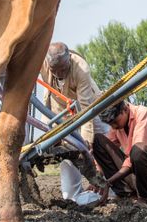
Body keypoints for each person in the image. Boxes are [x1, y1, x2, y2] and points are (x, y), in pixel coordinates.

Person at [37, 42, 110, 205]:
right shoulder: (42, 62)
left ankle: (112, 189)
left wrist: (86, 144)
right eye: (55, 71)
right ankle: (72, 195)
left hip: (88, 106)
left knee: (104, 139)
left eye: (63, 69)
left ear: (69, 59)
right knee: (67, 150)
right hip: (59, 110)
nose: (60, 74)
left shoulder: (81, 68)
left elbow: (86, 112)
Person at [93, 99, 147, 205]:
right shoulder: (117, 125)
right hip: (134, 172)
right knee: (98, 140)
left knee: (138, 150)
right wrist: (98, 178)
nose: (114, 127)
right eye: (110, 124)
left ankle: (146, 198)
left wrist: (109, 182)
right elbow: (107, 148)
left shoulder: (143, 113)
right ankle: (126, 194)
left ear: (125, 109)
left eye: (115, 122)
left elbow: (137, 153)